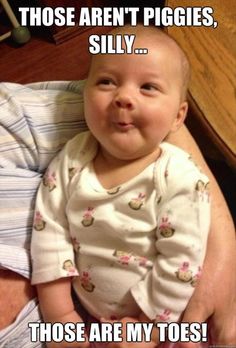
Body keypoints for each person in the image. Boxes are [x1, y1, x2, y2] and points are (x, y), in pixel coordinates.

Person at [30, 25, 213, 348]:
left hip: (160, 323)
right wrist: (60, 315)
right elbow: (50, 232)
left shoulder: (180, 176)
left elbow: (181, 262)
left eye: (148, 87)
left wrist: (150, 327)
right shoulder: (73, 157)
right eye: (106, 81)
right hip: (84, 319)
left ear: (178, 116)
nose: (124, 97)